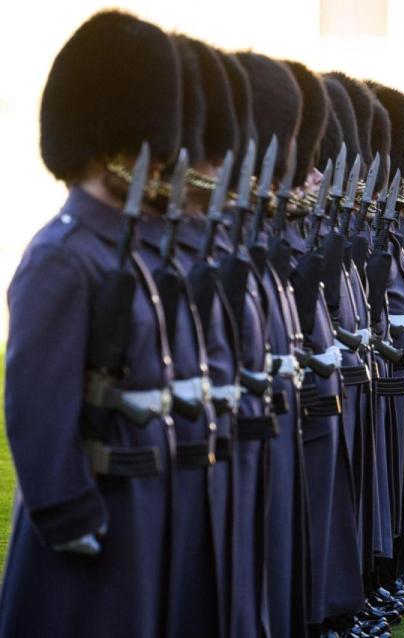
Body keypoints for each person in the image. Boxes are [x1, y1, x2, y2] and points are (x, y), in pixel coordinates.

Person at [0, 10, 183, 635]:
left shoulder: (121, 248)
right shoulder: (63, 255)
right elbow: (37, 403)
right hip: (90, 519)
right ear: (113, 143)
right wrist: (67, 510)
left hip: (137, 507)